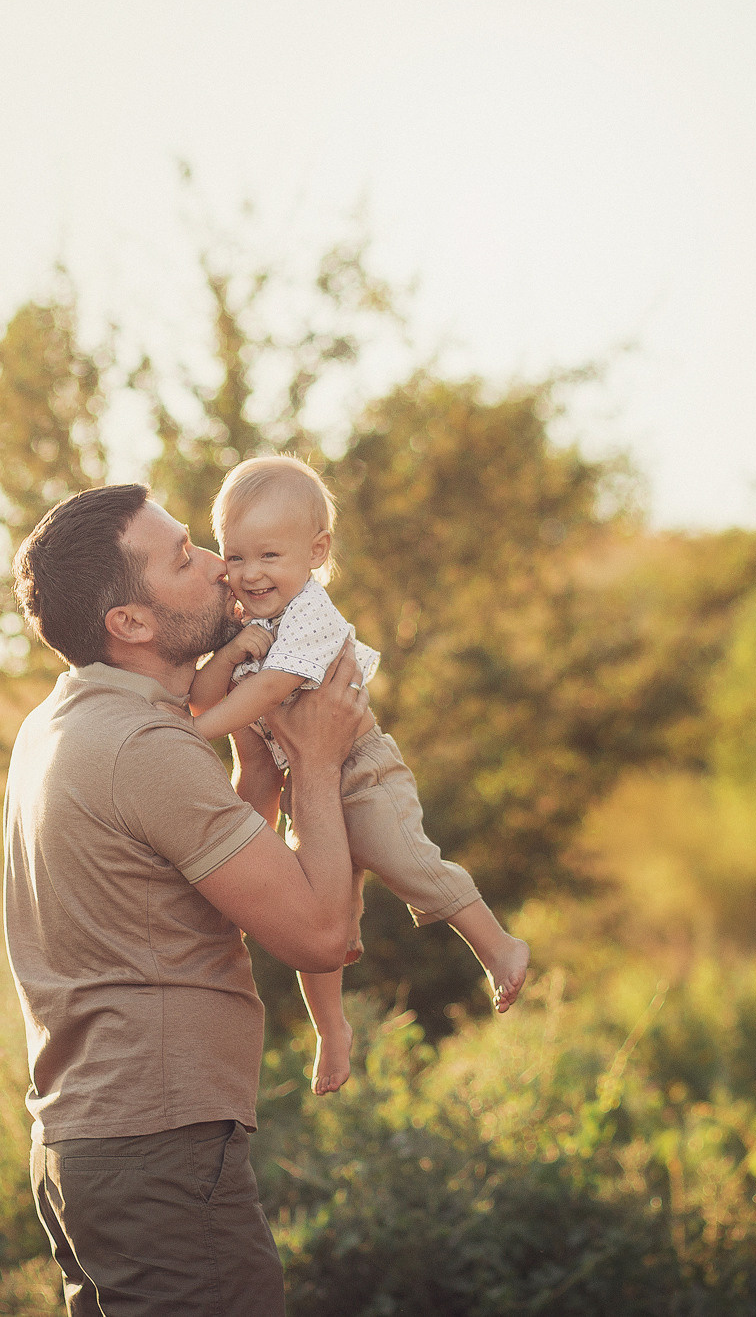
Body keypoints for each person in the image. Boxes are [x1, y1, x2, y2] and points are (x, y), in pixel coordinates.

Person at [4, 482, 366, 1316]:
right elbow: (320, 934)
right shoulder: (147, 746)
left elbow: (179, 891)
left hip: (89, 1150)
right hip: (158, 1151)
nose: (218, 563)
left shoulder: (62, 723)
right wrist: (316, 761)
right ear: (129, 621)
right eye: (184, 558)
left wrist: (260, 781)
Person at [186, 455, 530, 1096]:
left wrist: (187, 735)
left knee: (404, 859)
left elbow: (262, 697)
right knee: (324, 922)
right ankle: (331, 1031)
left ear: (316, 553)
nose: (250, 574)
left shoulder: (313, 616)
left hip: (363, 774)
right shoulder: (244, 621)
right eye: (235, 557)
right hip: (307, 793)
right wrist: (229, 652)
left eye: (269, 556)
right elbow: (206, 696)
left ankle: (498, 946)